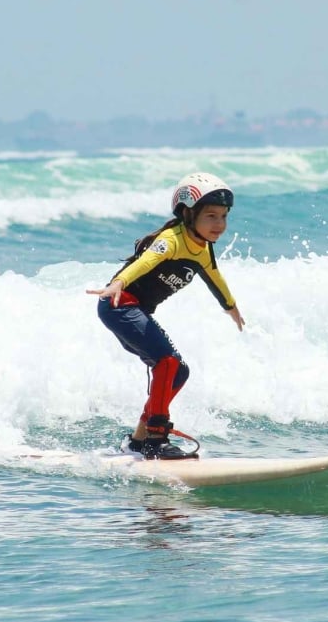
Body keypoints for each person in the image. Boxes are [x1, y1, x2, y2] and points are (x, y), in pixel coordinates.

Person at [88, 172, 245, 459]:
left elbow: (214, 276)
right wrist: (119, 283)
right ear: (188, 213)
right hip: (119, 304)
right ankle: (156, 440)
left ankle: (138, 439)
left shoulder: (202, 248)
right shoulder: (171, 240)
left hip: (135, 309)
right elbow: (147, 261)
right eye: (211, 216)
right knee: (167, 361)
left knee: (178, 372)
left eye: (223, 216)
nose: (219, 224)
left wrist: (230, 306)